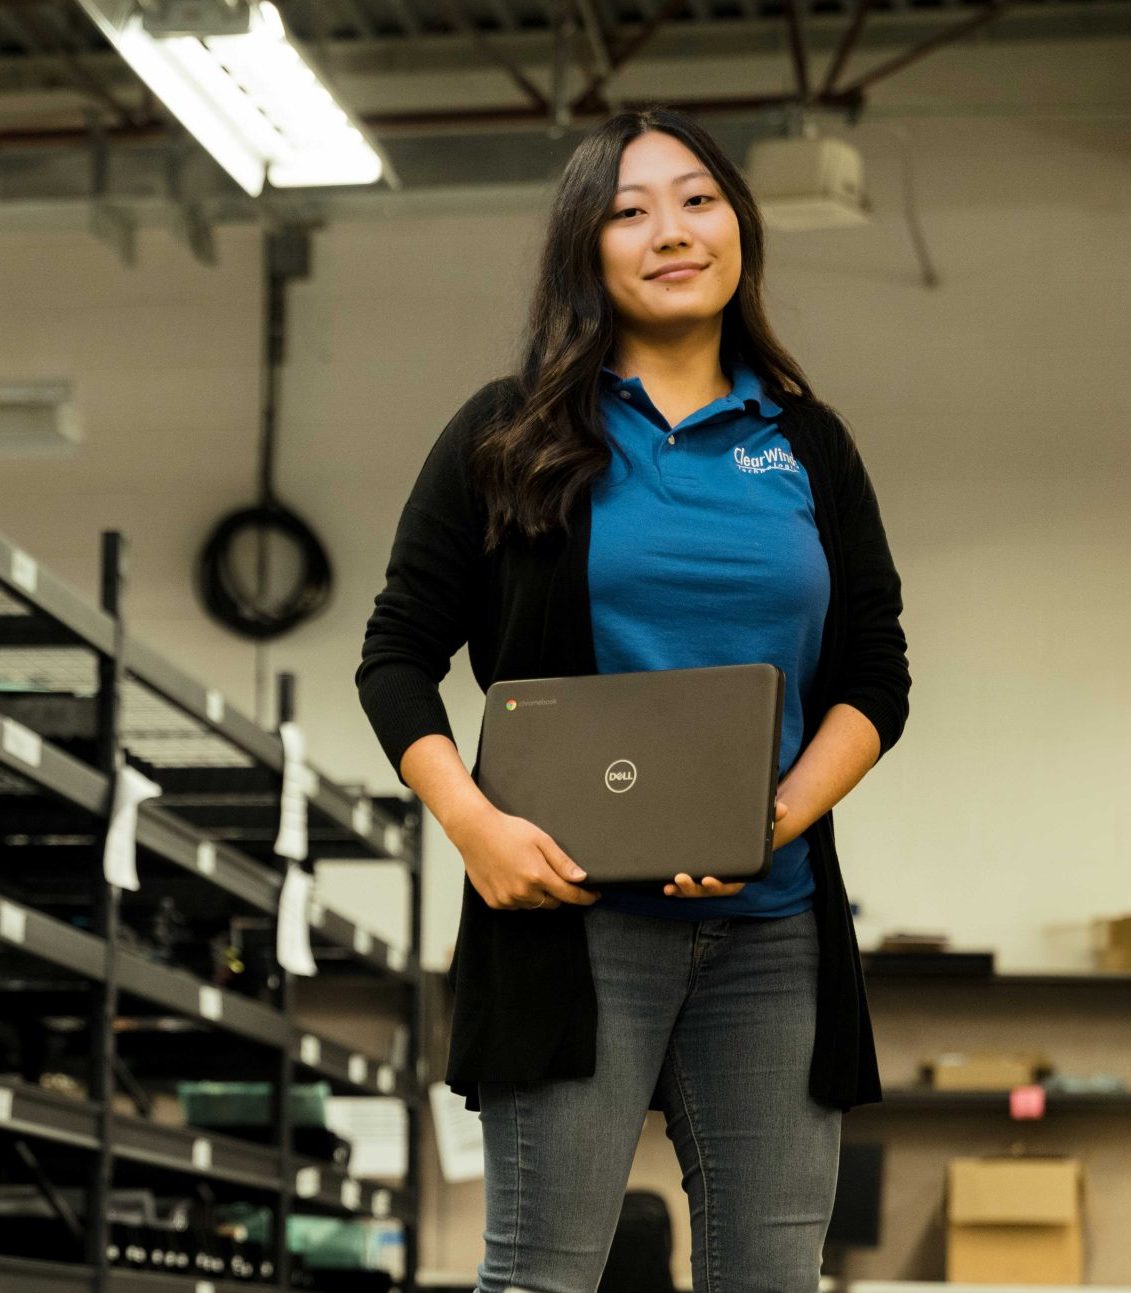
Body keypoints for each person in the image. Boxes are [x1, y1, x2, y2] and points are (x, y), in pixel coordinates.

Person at [356, 105, 911, 1293]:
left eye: (699, 199)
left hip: (772, 934)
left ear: (739, 228)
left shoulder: (807, 443)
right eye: (630, 209)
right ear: (585, 249)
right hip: (568, 927)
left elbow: (877, 678)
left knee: (769, 1280)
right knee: (543, 1278)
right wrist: (475, 828)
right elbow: (397, 655)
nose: (673, 230)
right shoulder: (504, 436)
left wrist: (771, 821)